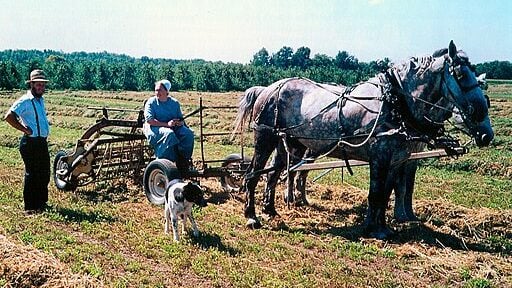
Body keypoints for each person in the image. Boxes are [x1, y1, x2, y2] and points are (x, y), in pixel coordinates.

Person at [4, 69, 51, 215]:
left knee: (44, 173)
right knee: (32, 174)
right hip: (30, 143)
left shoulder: (40, 100)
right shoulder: (25, 100)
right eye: (38, 85)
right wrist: (25, 129)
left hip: (41, 142)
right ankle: (30, 207)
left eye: (43, 85)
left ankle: (41, 203)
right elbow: (9, 116)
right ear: (31, 84)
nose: (41, 88)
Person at [143, 80, 194, 171]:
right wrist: (167, 124)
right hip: (154, 127)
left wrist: (180, 123)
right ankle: (165, 163)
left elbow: (180, 118)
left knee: (188, 134)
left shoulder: (174, 103)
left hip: (172, 126)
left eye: (160, 90)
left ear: (167, 91)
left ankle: (183, 160)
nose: (157, 93)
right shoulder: (151, 102)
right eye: (156, 90)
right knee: (169, 134)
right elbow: (150, 120)